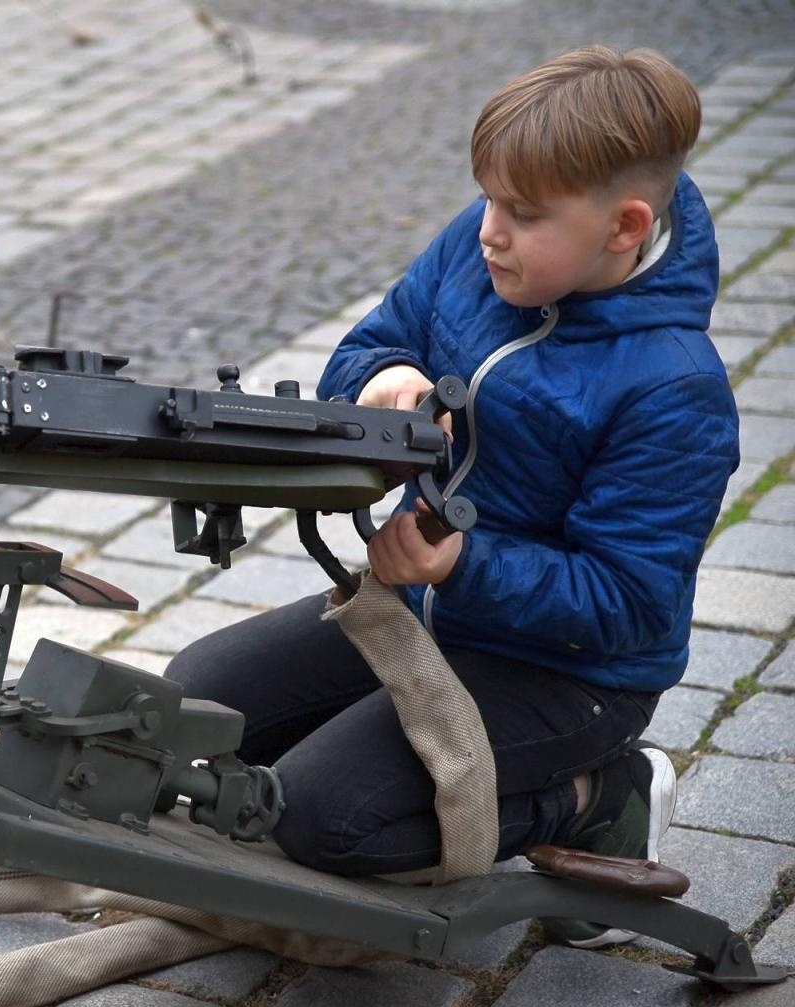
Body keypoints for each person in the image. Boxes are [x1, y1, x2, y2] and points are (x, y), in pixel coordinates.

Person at [166, 45, 738, 948]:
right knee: (193, 708)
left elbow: (629, 604)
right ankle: (404, 758)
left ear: (625, 227)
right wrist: (381, 378)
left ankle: (596, 797)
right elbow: (374, 337)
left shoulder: (673, 390)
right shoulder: (480, 251)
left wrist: (467, 562)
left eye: (524, 213)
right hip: (423, 611)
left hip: (569, 676)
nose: (489, 232)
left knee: (322, 819)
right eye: (488, 199)